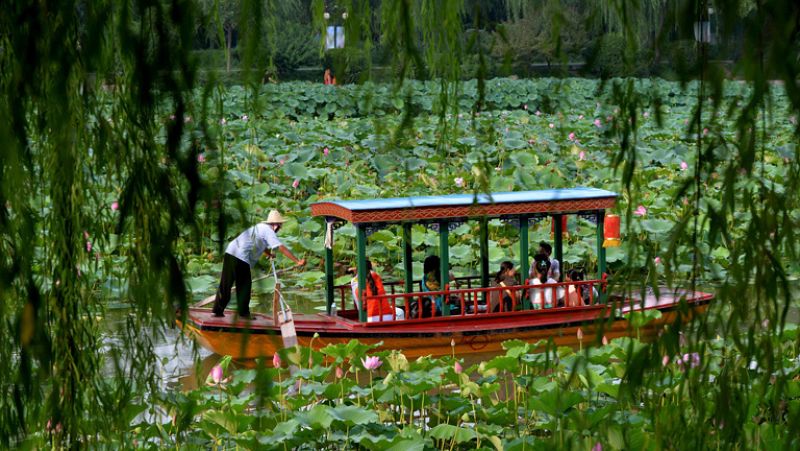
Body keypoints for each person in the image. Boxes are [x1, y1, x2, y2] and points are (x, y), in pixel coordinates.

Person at [212, 210, 306, 318]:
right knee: (244, 286)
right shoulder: (269, 231)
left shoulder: (260, 227)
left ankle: (217, 311)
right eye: (280, 225)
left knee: (225, 284)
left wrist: (268, 254)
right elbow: (281, 247)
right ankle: (243, 314)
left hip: (230, 251)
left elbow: (260, 243)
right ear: (276, 225)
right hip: (241, 257)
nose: (280, 228)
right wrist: (297, 261)